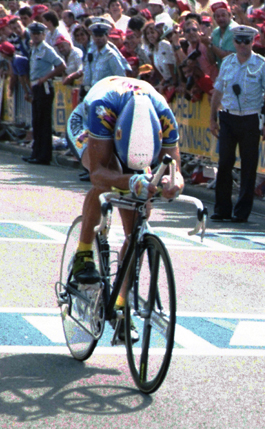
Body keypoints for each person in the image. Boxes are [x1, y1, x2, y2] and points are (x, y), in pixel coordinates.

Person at [66, 75, 183, 341]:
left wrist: (170, 183)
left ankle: (121, 305)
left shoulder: (165, 115)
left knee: (137, 224)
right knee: (108, 177)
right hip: (90, 124)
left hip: (134, 139)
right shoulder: (101, 109)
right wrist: (130, 180)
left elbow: (177, 172)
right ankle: (84, 252)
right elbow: (98, 173)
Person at [208, 25, 265, 223]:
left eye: (246, 41)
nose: (242, 45)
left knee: (248, 166)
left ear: (252, 42)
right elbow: (218, 91)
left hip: (250, 118)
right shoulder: (227, 62)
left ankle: (242, 212)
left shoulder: (262, 64)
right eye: (238, 41)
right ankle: (222, 209)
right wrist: (213, 118)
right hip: (228, 117)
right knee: (224, 164)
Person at [23, 22, 66, 165]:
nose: (35, 36)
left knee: (44, 121)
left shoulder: (47, 49)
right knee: (37, 121)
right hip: (36, 86)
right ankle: (36, 152)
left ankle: (44, 155)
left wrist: (46, 77)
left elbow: (61, 65)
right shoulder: (34, 49)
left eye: (38, 33)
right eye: (33, 33)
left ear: (43, 34)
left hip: (44, 86)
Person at [82, 20, 126, 92]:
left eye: (101, 35)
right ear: (92, 37)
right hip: (92, 92)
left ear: (107, 37)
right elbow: (87, 74)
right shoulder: (91, 54)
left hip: (107, 94)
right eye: (96, 36)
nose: (98, 38)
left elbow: (120, 77)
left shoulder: (111, 55)